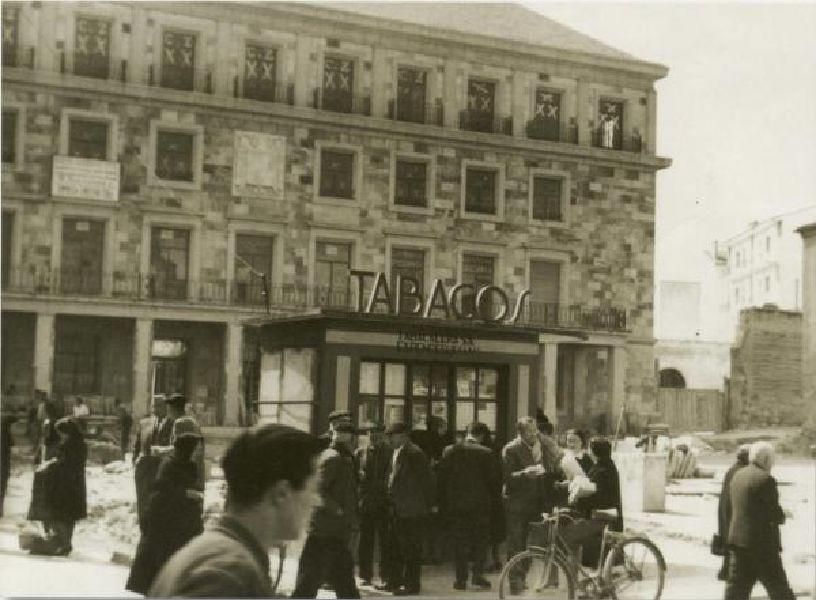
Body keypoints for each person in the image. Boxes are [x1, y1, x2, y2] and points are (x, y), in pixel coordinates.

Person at [148, 424, 322, 598]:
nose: (318, 501)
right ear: (281, 494)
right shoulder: (230, 573)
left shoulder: (221, 555)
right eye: (312, 490)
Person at [127, 417, 205, 595]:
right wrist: (185, 494)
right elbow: (162, 492)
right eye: (193, 447)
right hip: (165, 523)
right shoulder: (169, 464)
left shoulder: (189, 465)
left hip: (182, 523)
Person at [293, 421, 361, 599]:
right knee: (309, 579)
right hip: (325, 529)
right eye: (345, 433)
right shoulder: (333, 457)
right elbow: (317, 490)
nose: (349, 438)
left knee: (343, 578)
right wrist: (336, 509)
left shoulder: (343, 456)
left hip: (336, 529)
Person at [724, 441, 794, 600]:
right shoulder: (766, 480)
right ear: (766, 459)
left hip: (738, 542)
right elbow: (774, 514)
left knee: (736, 592)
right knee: (780, 590)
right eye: (772, 460)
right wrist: (783, 515)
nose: (773, 464)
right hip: (762, 546)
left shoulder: (737, 476)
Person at [502, 416, 563, 594]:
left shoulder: (542, 446)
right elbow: (507, 478)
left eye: (535, 429)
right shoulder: (511, 449)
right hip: (517, 504)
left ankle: (523, 576)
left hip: (538, 502)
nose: (534, 433)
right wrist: (524, 473)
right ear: (520, 433)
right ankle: (515, 581)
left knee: (532, 545)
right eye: (529, 431)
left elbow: (554, 465)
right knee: (516, 543)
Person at [437, 422, 500, 591]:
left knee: (460, 542)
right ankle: (477, 575)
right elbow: (493, 482)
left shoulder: (450, 450)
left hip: (456, 505)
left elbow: (441, 478)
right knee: (480, 541)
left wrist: (442, 502)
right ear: (482, 436)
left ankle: (460, 579)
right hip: (480, 505)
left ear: (467, 433)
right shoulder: (486, 453)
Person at [386, 422, 435, 596]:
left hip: (412, 510)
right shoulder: (396, 452)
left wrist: (430, 504)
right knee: (395, 547)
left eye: (392, 436)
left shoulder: (414, 454)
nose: (389, 440)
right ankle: (393, 581)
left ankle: (412, 585)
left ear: (403, 436)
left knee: (411, 549)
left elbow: (427, 480)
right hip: (398, 509)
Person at [28, 417, 87, 556]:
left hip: (66, 485)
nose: (61, 436)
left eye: (62, 433)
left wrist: (50, 465)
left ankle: (63, 543)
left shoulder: (70, 445)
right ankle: (66, 543)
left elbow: (64, 462)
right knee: (69, 516)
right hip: (75, 485)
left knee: (62, 515)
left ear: (68, 432)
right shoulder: (79, 443)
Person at [562, 437, 623, 568]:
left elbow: (599, 497)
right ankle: (575, 579)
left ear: (596, 451)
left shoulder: (603, 470)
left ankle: (573, 579)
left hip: (603, 517)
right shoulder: (603, 466)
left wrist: (578, 498)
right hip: (599, 515)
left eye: (591, 449)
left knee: (570, 536)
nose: (589, 451)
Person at [355, 423, 394, 588]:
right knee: (365, 540)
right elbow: (355, 477)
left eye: (377, 434)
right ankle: (365, 575)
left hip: (385, 502)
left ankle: (386, 575)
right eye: (370, 434)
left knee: (387, 541)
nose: (373, 437)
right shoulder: (360, 453)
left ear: (383, 435)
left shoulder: (391, 453)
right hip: (367, 502)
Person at [716, 444, 750, 581]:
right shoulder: (741, 471)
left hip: (725, 508)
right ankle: (730, 572)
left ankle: (725, 571)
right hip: (733, 510)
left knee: (728, 540)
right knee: (733, 541)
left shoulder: (732, 469)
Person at [133, 398, 167, 530]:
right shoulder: (145, 423)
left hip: (160, 468)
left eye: (160, 406)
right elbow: (137, 444)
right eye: (155, 405)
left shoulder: (172, 424)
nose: (156, 408)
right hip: (144, 467)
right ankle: (144, 528)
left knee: (157, 502)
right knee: (143, 501)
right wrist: (135, 460)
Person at [1, 411, 18, 517]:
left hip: (4, 461)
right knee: (2, 485)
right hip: (3, 462)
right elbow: (12, 443)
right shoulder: (5, 433)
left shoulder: (4, 431)